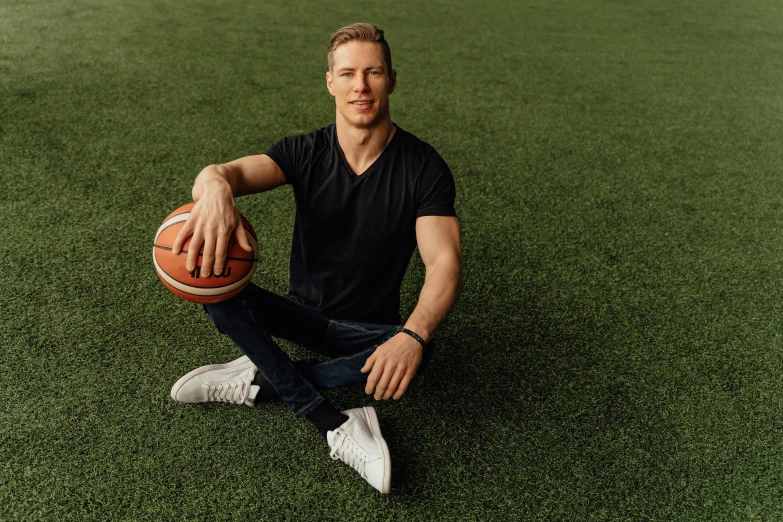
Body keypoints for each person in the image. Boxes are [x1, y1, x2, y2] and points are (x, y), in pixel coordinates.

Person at [167, 23, 462, 494]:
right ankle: (335, 423)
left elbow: (444, 262)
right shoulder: (304, 151)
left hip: (364, 331)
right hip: (300, 312)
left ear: (391, 79)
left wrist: (413, 333)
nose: (360, 86)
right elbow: (229, 171)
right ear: (331, 82)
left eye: (373, 73)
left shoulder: (423, 168)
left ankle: (262, 375)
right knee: (214, 288)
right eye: (347, 74)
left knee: (422, 350)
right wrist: (217, 186)